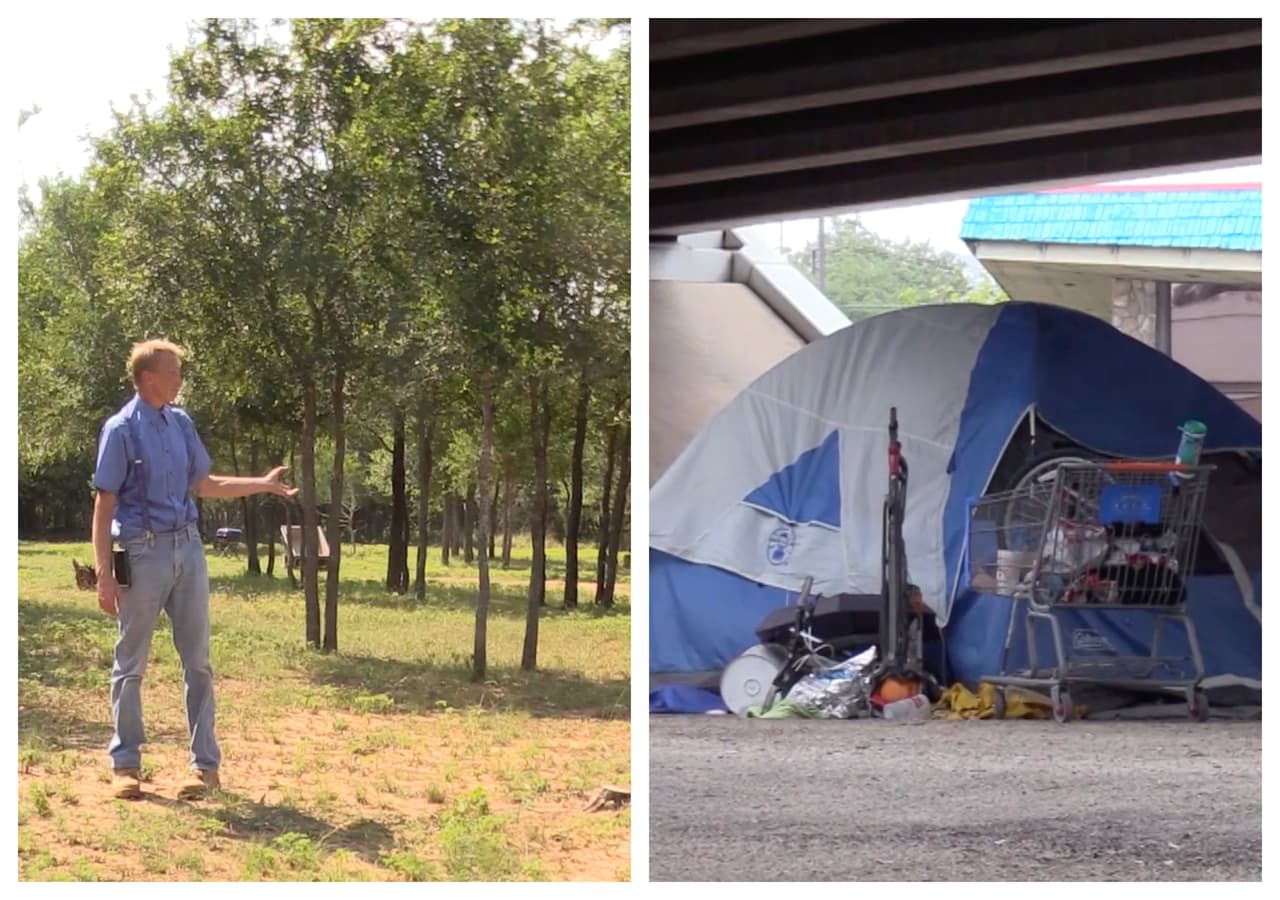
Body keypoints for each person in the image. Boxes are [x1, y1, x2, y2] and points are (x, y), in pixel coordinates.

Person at [92, 339, 298, 800]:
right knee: (131, 663)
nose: (179, 379)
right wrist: (104, 573)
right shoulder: (120, 429)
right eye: (173, 372)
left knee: (198, 662)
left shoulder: (181, 423)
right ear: (149, 378)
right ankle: (125, 765)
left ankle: (204, 767)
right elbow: (103, 505)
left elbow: (204, 484)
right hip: (143, 553)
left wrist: (261, 485)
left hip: (189, 549)